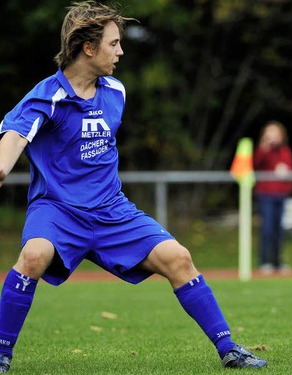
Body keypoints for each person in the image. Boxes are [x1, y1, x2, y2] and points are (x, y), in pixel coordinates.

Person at [0, 2, 266, 372]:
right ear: (88, 48)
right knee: (33, 257)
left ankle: (230, 350)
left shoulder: (116, 93)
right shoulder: (46, 96)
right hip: (58, 210)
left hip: (112, 211)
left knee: (179, 258)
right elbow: (12, 141)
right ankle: (1, 353)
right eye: (113, 44)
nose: (121, 51)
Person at [253, 120, 292, 274]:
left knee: (279, 230)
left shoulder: (285, 151)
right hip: (266, 194)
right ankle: (264, 262)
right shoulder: (262, 150)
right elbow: (256, 163)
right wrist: (264, 146)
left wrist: (287, 176)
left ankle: (278, 262)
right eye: (269, 132)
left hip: (281, 194)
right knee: (267, 229)